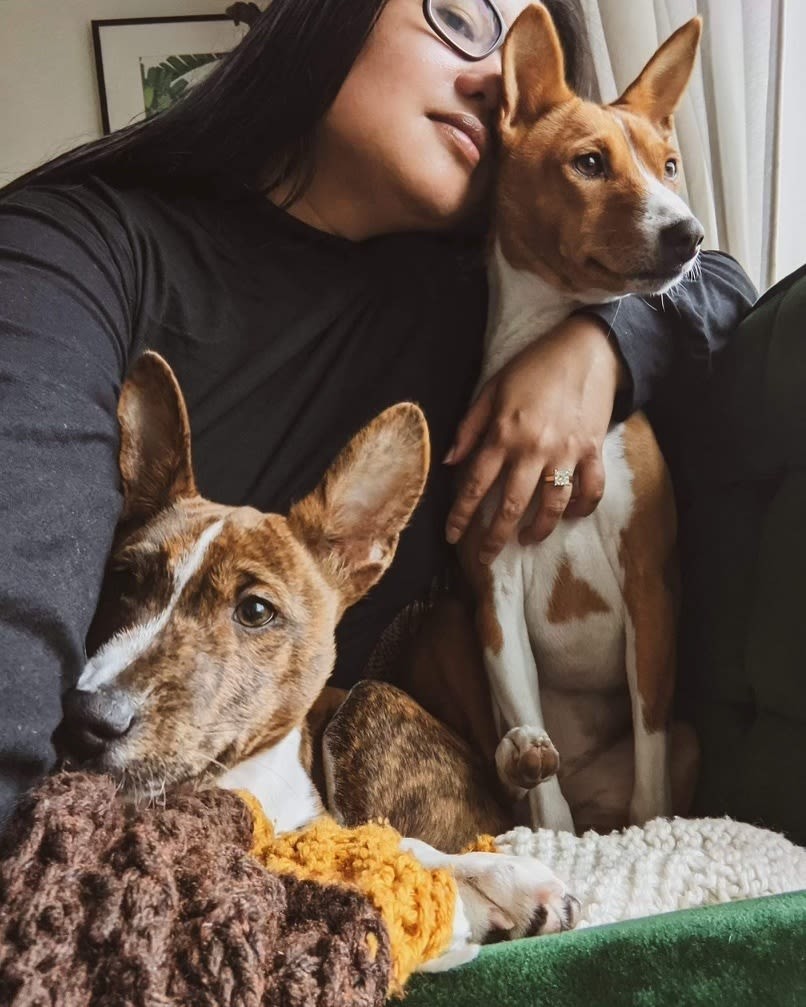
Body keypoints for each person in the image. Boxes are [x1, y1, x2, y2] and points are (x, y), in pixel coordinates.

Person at [0, 0, 755, 823]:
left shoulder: (480, 302)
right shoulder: (73, 256)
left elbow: (724, 289)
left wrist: (599, 347)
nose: (496, 76)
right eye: (460, 18)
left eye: (521, 57)